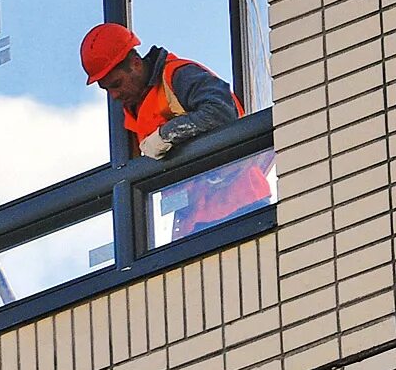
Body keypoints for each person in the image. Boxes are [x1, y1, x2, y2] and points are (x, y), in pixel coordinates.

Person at [78, 21, 272, 232]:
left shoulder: (177, 75)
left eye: (116, 84)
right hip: (193, 223)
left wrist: (166, 134)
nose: (114, 95)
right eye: (107, 89)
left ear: (135, 63)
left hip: (241, 206)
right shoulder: (132, 113)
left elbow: (222, 112)